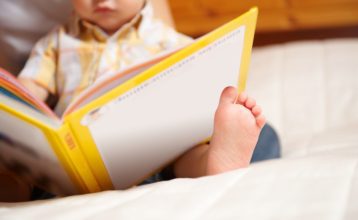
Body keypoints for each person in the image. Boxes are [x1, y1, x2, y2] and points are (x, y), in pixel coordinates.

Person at [0, 0, 280, 201]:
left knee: (186, 150)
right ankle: (14, 184)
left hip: (152, 147)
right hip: (83, 157)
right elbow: (30, 90)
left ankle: (214, 164)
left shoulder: (166, 40)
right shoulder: (58, 42)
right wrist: (16, 113)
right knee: (38, 169)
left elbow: (198, 86)